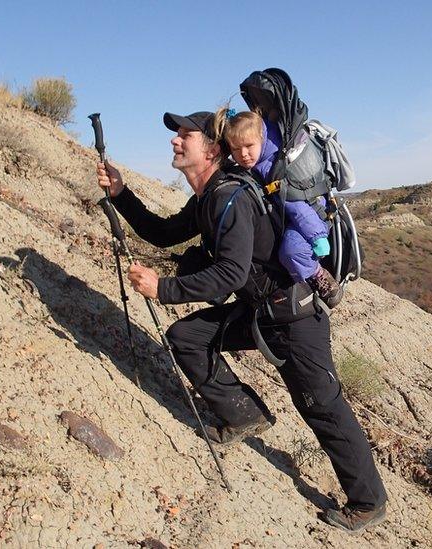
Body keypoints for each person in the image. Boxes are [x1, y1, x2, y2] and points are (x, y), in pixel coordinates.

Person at [96, 110, 387, 532]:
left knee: (321, 407)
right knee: (188, 337)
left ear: (211, 150)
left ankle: (368, 501)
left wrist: (163, 289)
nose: (175, 142)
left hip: (294, 317)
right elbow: (160, 233)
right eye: (176, 136)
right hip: (261, 312)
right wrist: (122, 194)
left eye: (184, 136)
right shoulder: (209, 198)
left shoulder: (228, 198)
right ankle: (244, 415)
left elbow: (231, 274)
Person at [216, 108, 343, 307]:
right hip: (292, 216)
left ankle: (320, 276)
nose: (243, 154)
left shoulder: (272, 168)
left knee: (291, 251)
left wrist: (317, 235)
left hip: (311, 218)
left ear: (262, 137)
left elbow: (296, 205)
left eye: (249, 146)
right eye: (236, 149)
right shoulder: (262, 161)